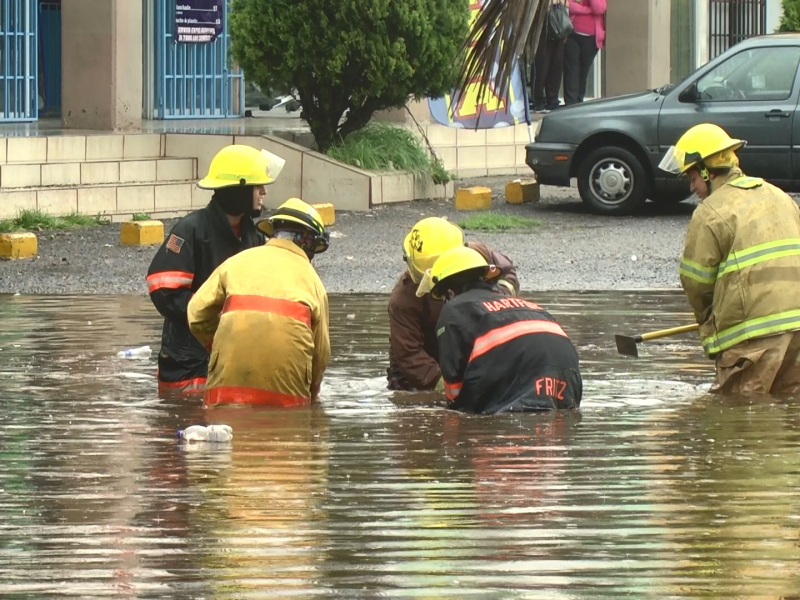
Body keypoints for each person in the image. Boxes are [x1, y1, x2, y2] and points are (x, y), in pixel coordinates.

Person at [659, 123, 800, 394]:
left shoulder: (711, 211)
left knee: (739, 416)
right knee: (790, 411)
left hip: (754, 340)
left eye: (693, 179)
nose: (693, 188)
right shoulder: (780, 197)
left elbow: (696, 283)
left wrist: (710, 327)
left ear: (706, 172)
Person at [147, 145, 285, 396]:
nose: (263, 192)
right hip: (187, 366)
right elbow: (163, 291)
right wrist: (214, 314)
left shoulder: (252, 236)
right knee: (185, 424)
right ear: (238, 190)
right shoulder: (190, 231)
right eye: (257, 186)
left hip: (232, 360)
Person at [187, 198, 331, 407]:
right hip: (286, 401)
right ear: (309, 242)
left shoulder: (237, 262)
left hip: (225, 394)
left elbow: (196, 314)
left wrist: (219, 345)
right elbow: (321, 354)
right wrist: (313, 393)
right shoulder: (313, 282)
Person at [422, 246, 582, 413]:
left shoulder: (454, 309)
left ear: (449, 292)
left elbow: (454, 393)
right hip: (568, 373)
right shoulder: (529, 307)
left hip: (523, 378)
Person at [387, 217, 519, 392]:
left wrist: (497, 299)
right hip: (416, 374)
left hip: (466, 351)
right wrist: (451, 389)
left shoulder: (478, 254)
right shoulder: (404, 300)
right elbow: (410, 356)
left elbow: (507, 272)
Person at [563, 0, 606, 106]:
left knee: (583, 72)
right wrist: (587, 10)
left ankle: (578, 103)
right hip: (572, 34)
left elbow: (599, 8)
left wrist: (585, 8)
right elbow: (569, 5)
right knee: (571, 71)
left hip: (591, 39)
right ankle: (570, 104)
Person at [531, 0, 568, 113]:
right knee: (542, 63)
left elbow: (566, 5)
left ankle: (552, 100)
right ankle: (538, 100)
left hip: (559, 19)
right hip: (543, 22)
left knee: (556, 64)